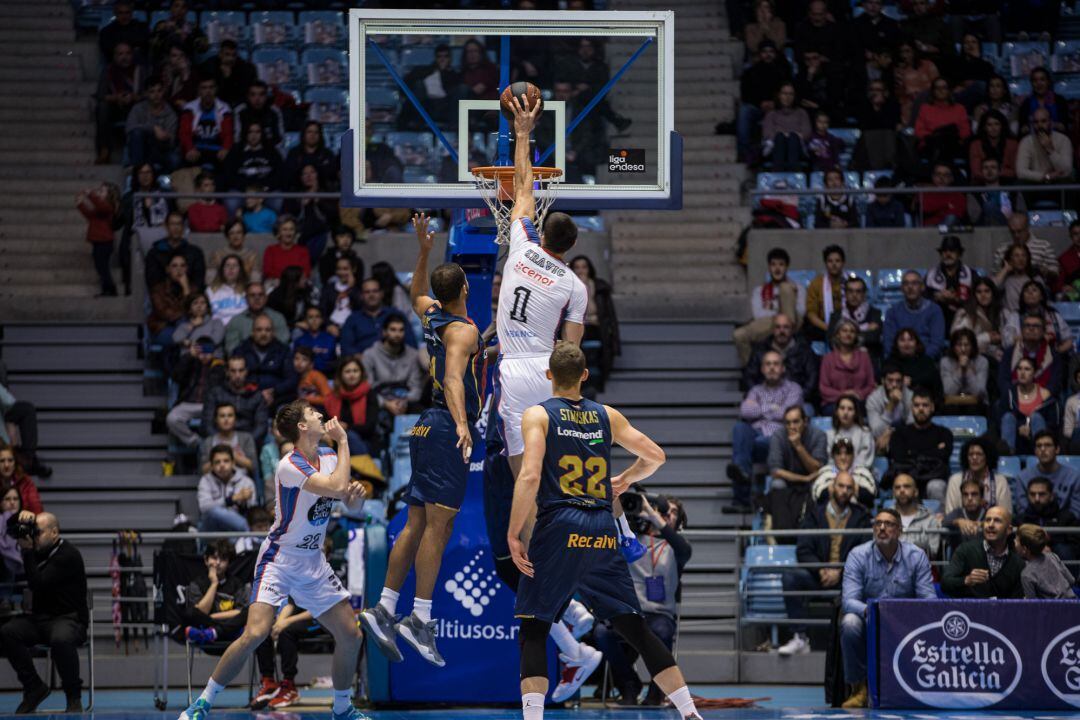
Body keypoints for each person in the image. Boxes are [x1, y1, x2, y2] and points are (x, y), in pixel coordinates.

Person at [506, 342, 704, 720]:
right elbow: (656, 456)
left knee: (534, 627)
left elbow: (530, 475)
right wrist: (626, 479)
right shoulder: (606, 415)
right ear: (584, 375)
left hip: (559, 525)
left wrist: (515, 532)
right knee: (634, 626)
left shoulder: (537, 415)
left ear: (549, 375)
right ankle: (689, 711)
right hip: (600, 528)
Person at [178, 402, 367, 720]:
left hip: (313, 562)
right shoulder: (289, 465)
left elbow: (351, 508)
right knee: (255, 633)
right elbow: (334, 487)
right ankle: (203, 703)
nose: (320, 415)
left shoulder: (331, 457)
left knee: (351, 634)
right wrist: (344, 440)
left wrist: (356, 497)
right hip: (279, 559)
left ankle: (342, 707)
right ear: (303, 428)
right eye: (313, 414)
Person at [360, 214, 483, 668]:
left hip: (424, 427)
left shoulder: (433, 314)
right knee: (439, 527)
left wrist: (425, 250)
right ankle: (420, 617)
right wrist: (464, 425)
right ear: (466, 288)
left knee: (415, 523)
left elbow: (414, 293)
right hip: (447, 425)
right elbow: (453, 379)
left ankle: (385, 608)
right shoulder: (462, 330)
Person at [591, 495, 692, 706]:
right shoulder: (632, 540)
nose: (666, 515)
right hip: (630, 611)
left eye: (672, 513)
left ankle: (657, 693)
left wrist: (655, 517)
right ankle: (628, 685)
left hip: (659, 614)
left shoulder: (676, 547)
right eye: (664, 511)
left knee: (662, 631)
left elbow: (684, 549)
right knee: (602, 632)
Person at [840, 508, 935, 708]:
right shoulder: (857, 555)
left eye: (889, 524)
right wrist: (873, 611)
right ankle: (859, 689)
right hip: (869, 619)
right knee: (849, 622)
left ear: (900, 530)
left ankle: (919, 685)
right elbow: (848, 600)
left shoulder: (916, 556)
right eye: (878, 524)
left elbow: (929, 601)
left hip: (905, 622)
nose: (882, 528)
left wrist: (901, 615)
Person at [0, 512, 88, 713]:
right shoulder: (39, 549)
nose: (32, 536)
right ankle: (34, 687)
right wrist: (19, 516)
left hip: (69, 618)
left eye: (37, 532)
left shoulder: (68, 554)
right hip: (40, 620)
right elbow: (10, 530)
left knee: (60, 639)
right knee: (8, 632)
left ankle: (73, 696)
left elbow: (38, 584)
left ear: (54, 532)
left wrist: (28, 552)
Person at [778, 472, 870, 656]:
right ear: (831, 487)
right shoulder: (814, 515)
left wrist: (840, 572)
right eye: (841, 486)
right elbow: (803, 550)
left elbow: (864, 554)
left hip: (847, 578)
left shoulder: (861, 517)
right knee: (790, 577)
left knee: (868, 582)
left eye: (849, 487)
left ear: (854, 491)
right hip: (819, 575)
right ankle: (800, 638)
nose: (844, 491)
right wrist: (820, 569)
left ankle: (854, 644)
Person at [727, 351, 803, 514]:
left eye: (776, 364)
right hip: (756, 440)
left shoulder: (793, 388)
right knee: (740, 429)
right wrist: (774, 408)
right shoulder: (756, 390)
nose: (772, 368)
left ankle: (741, 491)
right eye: (768, 364)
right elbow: (745, 411)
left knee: (757, 444)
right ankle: (742, 478)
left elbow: (788, 413)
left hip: (781, 441)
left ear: (783, 368)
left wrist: (760, 410)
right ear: (762, 369)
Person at [940, 506, 1024, 599]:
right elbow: (945, 583)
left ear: (1009, 530)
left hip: (1002, 613)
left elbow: (1017, 604)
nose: (990, 525)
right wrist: (967, 580)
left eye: (997, 521)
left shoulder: (1017, 563)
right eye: (988, 520)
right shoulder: (966, 550)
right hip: (970, 611)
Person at [887, 388, 952, 502]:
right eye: (917, 405)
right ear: (912, 408)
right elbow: (899, 458)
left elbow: (943, 456)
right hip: (908, 477)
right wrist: (933, 451)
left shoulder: (944, 433)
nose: (921, 409)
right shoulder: (899, 434)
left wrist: (912, 453)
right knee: (902, 483)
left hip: (934, 478)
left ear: (932, 407)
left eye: (925, 405)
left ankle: (939, 519)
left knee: (936, 486)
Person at [568, 255, 621, 393]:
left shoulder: (599, 287)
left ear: (589, 269)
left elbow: (601, 312)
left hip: (596, 328)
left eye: (584, 267)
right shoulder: (567, 287)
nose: (581, 271)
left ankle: (592, 386)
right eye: (577, 267)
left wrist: (585, 288)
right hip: (576, 327)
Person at [736, 39, 793, 164]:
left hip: (779, 108)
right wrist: (761, 103)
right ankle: (744, 153)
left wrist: (775, 103)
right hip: (757, 108)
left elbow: (789, 90)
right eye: (765, 52)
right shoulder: (750, 72)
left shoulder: (783, 70)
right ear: (759, 54)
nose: (768, 54)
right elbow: (746, 94)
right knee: (744, 111)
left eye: (771, 51)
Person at [167, 333, 224, 449]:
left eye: (208, 351)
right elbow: (176, 377)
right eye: (201, 350)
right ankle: (196, 442)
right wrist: (189, 356)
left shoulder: (219, 367)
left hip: (210, 405)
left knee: (225, 417)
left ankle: (215, 444)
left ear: (213, 352)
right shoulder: (190, 362)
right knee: (172, 419)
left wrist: (218, 364)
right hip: (188, 402)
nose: (204, 355)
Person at [200, 355, 269, 448]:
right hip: (220, 442)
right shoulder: (215, 393)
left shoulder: (256, 395)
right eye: (233, 371)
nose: (237, 375)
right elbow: (207, 424)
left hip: (248, 441)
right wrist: (222, 443)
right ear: (227, 372)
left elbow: (261, 426)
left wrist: (245, 444)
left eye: (241, 371)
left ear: (246, 372)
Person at [362, 314, 425, 415]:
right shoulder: (370, 354)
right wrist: (386, 403)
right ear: (384, 332)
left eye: (401, 330)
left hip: (406, 401)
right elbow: (366, 388)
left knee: (424, 415)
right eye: (393, 330)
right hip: (379, 401)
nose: (397, 334)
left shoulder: (412, 355)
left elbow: (416, 387)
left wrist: (403, 402)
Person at [743, 313, 819, 393]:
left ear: (792, 330)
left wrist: (797, 397)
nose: (781, 331)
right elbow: (749, 377)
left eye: (786, 327)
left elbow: (812, 378)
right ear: (772, 329)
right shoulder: (760, 350)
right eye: (777, 327)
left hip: (798, 399)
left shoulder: (805, 350)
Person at [234, 314, 296, 412]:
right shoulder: (241, 350)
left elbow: (291, 379)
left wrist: (273, 391)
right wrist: (256, 394)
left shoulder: (283, 351)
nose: (263, 333)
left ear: (273, 332)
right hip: (247, 397)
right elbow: (234, 377)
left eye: (268, 330)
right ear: (252, 332)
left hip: (277, 399)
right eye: (259, 330)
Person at [322, 357, 380, 458]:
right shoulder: (332, 397)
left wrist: (346, 427)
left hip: (365, 441)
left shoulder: (369, 394)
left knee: (349, 436)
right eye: (347, 371)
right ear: (341, 375)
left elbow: (370, 427)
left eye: (355, 371)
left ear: (361, 373)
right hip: (336, 442)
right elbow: (326, 423)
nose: (352, 375)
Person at [96, 42, 142, 164]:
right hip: (115, 108)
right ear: (114, 56)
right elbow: (101, 95)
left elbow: (148, 93)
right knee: (102, 108)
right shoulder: (108, 71)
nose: (124, 57)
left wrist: (133, 97)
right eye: (120, 54)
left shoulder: (139, 70)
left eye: (127, 53)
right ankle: (104, 150)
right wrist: (117, 98)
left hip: (134, 106)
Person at [951, 276, 1016, 363]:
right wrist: (987, 338)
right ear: (974, 294)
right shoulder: (966, 313)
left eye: (987, 291)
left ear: (993, 293)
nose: (983, 295)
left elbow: (1013, 339)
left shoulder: (1003, 313)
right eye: (979, 292)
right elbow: (959, 343)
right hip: (972, 359)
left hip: (1000, 359)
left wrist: (1001, 338)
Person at [1016, 478, 1079, 563]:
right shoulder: (1021, 520)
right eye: (1032, 494)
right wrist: (1037, 548)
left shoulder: (1066, 517)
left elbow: (1076, 546)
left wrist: (1051, 547)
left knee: (1063, 549)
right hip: (1029, 561)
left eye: (1042, 494)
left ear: (1051, 495)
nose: (1037, 499)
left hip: (1060, 565)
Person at [818, 319, 876, 413]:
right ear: (837, 335)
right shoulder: (827, 359)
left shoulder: (864, 357)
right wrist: (843, 395)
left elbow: (871, 385)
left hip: (859, 402)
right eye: (844, 330)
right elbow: (823, 388)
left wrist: (858, 394)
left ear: (856, 336)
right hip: (834, 403)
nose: (848, 334)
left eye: (852, 331)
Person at [999, 313, 1062, 397]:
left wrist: (1036, 398)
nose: (1031, 328)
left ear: (1043, 331)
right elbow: (1003, 381)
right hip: (1014, 399)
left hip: (1044, 401)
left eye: (1036, 326)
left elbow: (1054, 385)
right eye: (1027, 325)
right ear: (1022, 330)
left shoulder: (1054, 356)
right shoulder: (1009, 353)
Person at [1018, 430, 1080, 516]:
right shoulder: (1022, 477)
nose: (1043, 449)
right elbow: (1022, 511)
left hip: (1064, 526)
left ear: (1057, 449)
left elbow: (1076, 512)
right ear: (1035, 451)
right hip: (1032, 526)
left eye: (1048, 445)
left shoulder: (1074, 477)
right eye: (1039, 446)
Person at [768, 405, 828, 491]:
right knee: (777, 484)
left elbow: (817, 469)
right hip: (788, 481)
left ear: (805, 421)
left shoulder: (818, 435)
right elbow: (775, 471)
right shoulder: (778, 436)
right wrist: (804, 478)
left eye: (796, 422)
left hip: (812, 481)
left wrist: (798, 446)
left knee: (820, 483)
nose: (792, 427)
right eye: (788, 423)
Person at [125, 76, 179, 172]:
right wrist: (153, 128)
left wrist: (166, 137)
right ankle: (137, 174)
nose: (156, 95)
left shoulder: (170, 113)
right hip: (141, 149)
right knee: (137, 133)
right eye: (152, 92)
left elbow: (172, 141)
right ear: (146, 93)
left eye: (159, 91)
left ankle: (160, 182)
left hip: (160, 150)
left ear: (164, 92)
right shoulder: (138, 109)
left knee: (175, 159)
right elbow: (129, 128)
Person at [945, 437, 1010, 514]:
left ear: (987, 457)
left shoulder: (1000, 481)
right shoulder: (955, 480)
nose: (974, 458)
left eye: (979, 454)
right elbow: (949, 514)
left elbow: (1006, 514)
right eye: (970, 454)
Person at [197, 445, 256, 532]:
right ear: (212, 466)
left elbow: (252, 510)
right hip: (212, 528)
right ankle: (250, 536)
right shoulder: (205, 480)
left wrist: (245, 502)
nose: (222, 465)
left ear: (233, 463)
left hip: (237, 526)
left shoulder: (246, 481)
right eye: (217, 462)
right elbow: (204, 508)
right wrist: (231, 499)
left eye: (226, 461)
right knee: (213, 512)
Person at [77, 182, 121, 297]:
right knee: (100, 266)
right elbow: (90, 215)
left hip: (104, 242)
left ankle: (110, 289)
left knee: (103, 267)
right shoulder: (99, 209)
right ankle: (107, 288)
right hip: (98, 242)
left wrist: (91, 194)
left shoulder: (108, 207)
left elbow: (101, 206)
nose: (99, 193)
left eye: (102, 191)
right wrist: (80, 204)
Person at [178, 77, 233, 169]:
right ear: (199, 90)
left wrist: (225, 148)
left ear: (216, 89)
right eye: (204, 88)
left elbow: (228, 134)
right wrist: (189, 148)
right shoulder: (189, 108)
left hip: (217, 151)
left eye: (211, 88)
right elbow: (184, 133)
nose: (208, 91)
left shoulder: (224, 109)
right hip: (196, 150)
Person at [914, 78, 970, 166]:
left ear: (949, 90)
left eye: (944, 88)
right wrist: (935, 136)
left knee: (947, 137)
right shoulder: (925, 108)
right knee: (938, 140)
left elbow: (965, 131)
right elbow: (919, 130)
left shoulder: (959, 109)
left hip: (952, 145)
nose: (941, 91)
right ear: (933, 91)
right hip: (930, 144)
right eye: (937, 88)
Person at [145, 211, 206, 291]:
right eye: (172, 224)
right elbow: (152, 281)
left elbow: (198, 280)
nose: (176, 228)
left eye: (179, 224)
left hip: (189, 294)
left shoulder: (195, 252)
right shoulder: (155, 253)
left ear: (183, 227)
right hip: (163, 296)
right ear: (166, 226)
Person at [810, 437, 878, 509]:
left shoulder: (863, 472)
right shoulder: (825, 472)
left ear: (853, 455)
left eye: (847, 453)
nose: (843, 457)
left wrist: (850, 484)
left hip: (858, 515)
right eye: (838, 453)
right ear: (833, 456)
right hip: (828, 515)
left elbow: (870, 498)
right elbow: (819, 498)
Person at [224, 282, 289, 355]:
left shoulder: (278, 318)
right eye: (252, 295)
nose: (257, 298)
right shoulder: (236, 321)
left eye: (260, 295)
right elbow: (231, 349)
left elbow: (283, 344)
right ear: (246, 298)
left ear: (266, 298)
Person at [993, 213, 1059, 285]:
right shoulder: (1002, 249)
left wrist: (1043, 271)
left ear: (1027, 228)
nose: (1016, 235)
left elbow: (1055, 272)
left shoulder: (1044, 246)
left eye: (1019, 231)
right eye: (1012, 232)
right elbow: (994, 276)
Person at [826, 276, 883, 361]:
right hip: (842, 361)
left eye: (858, 291)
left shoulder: (875, 313)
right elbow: (831, 341)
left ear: (864, 294)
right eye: (850, 291)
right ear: (845, 293)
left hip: (868, 360)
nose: (854, 295)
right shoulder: (836, 316)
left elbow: (874, 338)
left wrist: (844, 336)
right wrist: (864, 329)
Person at [1016, 523, 1077, 599]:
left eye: (1016, 540)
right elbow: (1071, 580)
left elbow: (1031, 605)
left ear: (1024, 549)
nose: (1014, 542)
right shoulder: (1052, 556)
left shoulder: (1026, 574)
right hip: (1073, 603)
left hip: (1053, 609)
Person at [924, 236, 974, 327]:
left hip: (964, 320)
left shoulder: (970, 274)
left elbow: (977, 297)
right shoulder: (931, 274)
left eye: (952, 251)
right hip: (937, 320)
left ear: (959, 254)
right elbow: (923, 297)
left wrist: (956, 299)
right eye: (945, 251)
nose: (948, 254)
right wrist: (937, 297)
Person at [865, 363, 914, 455]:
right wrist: (891, 404)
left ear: (903, 381)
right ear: (883, 381)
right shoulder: (873, 399)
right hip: (881, 440)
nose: (894, 385)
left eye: (898, 381)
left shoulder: (910, 396)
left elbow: (913, 427)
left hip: (903, 439)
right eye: (890, 380)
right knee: (879, 444)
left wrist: (891, 433)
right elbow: (877, 431)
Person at [198, 403, 257, 478]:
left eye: (230, 415)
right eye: (222, 416)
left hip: (242, 484)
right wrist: (218, 458)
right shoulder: (208, 442)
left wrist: (230, 454)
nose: (226, 419)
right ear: (216, 419)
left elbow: (253, 466)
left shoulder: (246, 438)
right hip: (213, 485)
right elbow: (202, 470)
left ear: (235, 418)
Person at [890, 473, 941, 558]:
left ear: (916, 492)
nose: (902, 490)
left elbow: (933, 552)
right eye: (897, 487)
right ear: (893, 492)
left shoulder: (930, 519)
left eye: (906, 486)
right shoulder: (885, 519)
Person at [762, 83, 810, 171]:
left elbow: (806, 133)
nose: (787, 97)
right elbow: (767, 134)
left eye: (790, 94)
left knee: (793, 138)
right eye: (784, 93)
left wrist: (791, 135)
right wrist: (784, 135)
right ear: (779, 95)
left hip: (797, 147)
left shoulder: (802, 113)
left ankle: (794, 176)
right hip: (776, 146)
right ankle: (778, 175)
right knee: (780, 138)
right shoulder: (771, 114)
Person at [886, 328, 943, 402]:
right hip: (897, 405)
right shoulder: (890, 362)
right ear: (896, 344)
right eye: (902, 340)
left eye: (910, 340)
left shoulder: (926, 361)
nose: (906, 344)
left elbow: (934, 383)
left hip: (924, 404)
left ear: (916, 343)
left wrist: (912, 381)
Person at [804, 245, 846, 343]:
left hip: (849, 328)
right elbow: (811, 314)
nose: (834, 264)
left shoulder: (851, 283)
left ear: (843, 263)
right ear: (825, 263)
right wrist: (830, 329)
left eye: (837, 261)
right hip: (823, 328)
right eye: (830, 261)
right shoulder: (816, 284)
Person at [940, 328, 989, 412]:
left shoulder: (982, 361)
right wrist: (960, 370)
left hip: (977, 403)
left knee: (974, 408)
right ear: (953, 347)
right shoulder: (945, 362)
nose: (963, 349)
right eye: (959, 345)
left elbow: (979, 392)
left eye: (966, 345)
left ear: (973, 347)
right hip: (952, 403)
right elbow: (948, 391)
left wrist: (968, 370)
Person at [148, 254, 192, 346]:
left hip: (187, 327)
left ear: (186, 269)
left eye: (182, 266)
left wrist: (186, 289)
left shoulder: (193, 288)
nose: (179, 269)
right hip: (163, 327)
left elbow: (198, 311)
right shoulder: (158, 289)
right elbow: (165, 313)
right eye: (174, 266)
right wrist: (185, 313)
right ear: (168, 269)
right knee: (186, 331)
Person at [197, 38, 255, 108]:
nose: (230, 58)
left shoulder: (245, 68)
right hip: (214, 103)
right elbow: (211, 90)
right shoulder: (209, 66)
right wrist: (224, 78)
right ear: (220, 54)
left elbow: (243, 92)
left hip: (237, 104)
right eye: (227, 54)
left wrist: (229, 78)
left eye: (233, 55)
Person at [232, 81, 286, 153]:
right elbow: (237, 139)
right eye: (253, 95)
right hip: (246, 152)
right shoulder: (240, 111)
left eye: (261, 94)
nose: (257, 98)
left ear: (266, 96)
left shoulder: (274, 111)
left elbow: (280, 139)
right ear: (248, 96)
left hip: (271, 153)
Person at [284, 121, 339, 192]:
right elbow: (288, 176)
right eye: (309, 132)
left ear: (320, 135)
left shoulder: (327, 154)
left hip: (323, 194)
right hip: (297, 194)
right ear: (304, 134)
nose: (312, 135)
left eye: (316, 132)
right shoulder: (294, 153)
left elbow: (332, 176)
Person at [969, 109, 1018, 183]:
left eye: (996, 124)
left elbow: (1015, 171)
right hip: (982, 184)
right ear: (984, 127)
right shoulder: (976, 145)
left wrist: (992, 173)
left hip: (1007, 183)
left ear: (1002, 126)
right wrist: (998, 173)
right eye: (989, 125)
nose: (993, 128)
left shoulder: (1012, 144)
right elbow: (976, 172)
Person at [262, 217, 311, 283]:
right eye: (284, 229)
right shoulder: (270, 250)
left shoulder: (303, 251)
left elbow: (306, 272)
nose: (288, 233)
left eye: (291, 229)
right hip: (276, 282)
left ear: (295, 232)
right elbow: (267, 271)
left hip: (297, 283)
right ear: (278, 233)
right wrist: (289, 277)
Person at [205, 254, 249, 328]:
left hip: (242, 327)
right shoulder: (210, 290)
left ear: (240, 270)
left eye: (235, 265)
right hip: (217, 328)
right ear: (222, 269)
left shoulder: (248, 290)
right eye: (227, 265)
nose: (231, 268)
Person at [943, 478, 986, 552]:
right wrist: (958, 521)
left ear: (981, 498)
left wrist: (983, 524)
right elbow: (944, 522)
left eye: (974, 494)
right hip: (960, 561)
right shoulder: (958, 513)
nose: (969, 498)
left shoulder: (989, 514)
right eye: (965, 495)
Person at [920, 162, 968, 227]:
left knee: (951, 217)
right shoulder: (925, 192)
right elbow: (926, 209)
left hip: (950, 228)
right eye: (938, 174)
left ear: (951, 178)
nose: (941, 178)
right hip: (930, 227)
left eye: (946, 175)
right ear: (933, 177)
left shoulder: (958, 195)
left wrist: (937, 207)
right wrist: (947, 205)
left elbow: (958, 213)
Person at [292, 305, 337, 375]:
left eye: (317, 317)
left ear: (322, 320)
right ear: (305, 320)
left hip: (327, 377)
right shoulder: (300, 341)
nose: (314, 320)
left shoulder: (330, 339)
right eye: (310, 317)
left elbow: (333, 362)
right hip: (305, 378)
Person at [0, 444, 43, 514]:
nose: (6, 465)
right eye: (2, 461)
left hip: (22, 521)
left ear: (15, 463)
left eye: (10, 460)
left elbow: (37, 509)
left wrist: (29, 515)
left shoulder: (25, 481)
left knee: (47, 519)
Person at [1058, 220, 1080, 298]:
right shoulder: (1064, 258)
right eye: (1075, 234)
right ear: (1070, 236)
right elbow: (1060, 284)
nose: (1079, 237)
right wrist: (1064, 287)